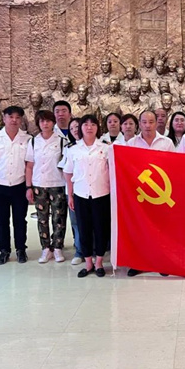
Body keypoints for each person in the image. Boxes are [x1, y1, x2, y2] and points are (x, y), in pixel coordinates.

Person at [0, 106, 33, 265]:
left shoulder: (28, 139)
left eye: (18, 117)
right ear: (4, 118)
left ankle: (21, 249)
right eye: (11, 117)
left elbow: (29, 165)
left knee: (20, 220)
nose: (14, 120)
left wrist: (28, 187)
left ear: (21, 120)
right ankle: (4, 250)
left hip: (19, 185)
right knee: (1, 220)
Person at [126, 111, 176, 277]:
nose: (148, 125)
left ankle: (162, 262)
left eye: (151, 122)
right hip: (138, 193)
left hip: (161, 192)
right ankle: (138, 262)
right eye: (144, 122)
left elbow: (174, 166)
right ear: (139, 124)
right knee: (139, 228)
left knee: (161, 230)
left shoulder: (166, 143)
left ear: (157, 123)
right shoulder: (131, 144)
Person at [63, 115, 111, 278]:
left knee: (101, 229)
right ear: (80, 128)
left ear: (98, 127)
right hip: (80, 194)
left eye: (93, 124)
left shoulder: (106, 148)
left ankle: (99, 263)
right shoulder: (73, 149)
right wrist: (70, 195)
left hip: (101, 194)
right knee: (83, 229)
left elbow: (112, 171)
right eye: (85, 124)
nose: (89, 127)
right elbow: (68, 172)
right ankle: (88, 262)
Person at [25, 110, 68, 264]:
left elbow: (66, 165)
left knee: (59, 218)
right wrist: (28, 187)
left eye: (48, 121)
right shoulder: (33, 141)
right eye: (42, 121)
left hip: (57, 184)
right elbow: (29, 166)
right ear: (38, 123)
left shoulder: (62, 141)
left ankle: (57, 247)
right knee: (42, 218)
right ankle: (45, 248)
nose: (45, 124)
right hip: (39, 184)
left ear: (53, 122)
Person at [60, 118, 84, 265]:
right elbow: (66, 170)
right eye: (72, 128)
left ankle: (94, 250)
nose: (75, 130)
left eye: (77, 126)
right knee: (76, 223)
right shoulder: (69, 148)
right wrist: (70, 193)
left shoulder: (99, 145)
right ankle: (80, 251)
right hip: (73, 190)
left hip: (92, 190)